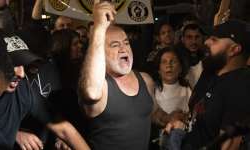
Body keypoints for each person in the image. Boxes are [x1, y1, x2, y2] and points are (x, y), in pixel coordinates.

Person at [0, 30, 90, 150]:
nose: (21, 74)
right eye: (12, 66)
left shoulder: (22, 88)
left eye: (24, 65)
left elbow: (63, 128)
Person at [78, 1, 182, 149]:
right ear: (101, 54)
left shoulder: (145, 80)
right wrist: (99, 28)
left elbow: (153, 112)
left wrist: (169, 118)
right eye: (115, 45)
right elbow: (91, 92)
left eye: (126, 43)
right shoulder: (101, 87)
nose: (123, 49)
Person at [166, 20, 250, 149]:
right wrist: (181, 121)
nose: (206, 42)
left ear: (234, 49)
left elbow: (229, 145)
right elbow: (200, 114)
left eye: (215, 40)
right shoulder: (211, 71)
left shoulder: (241, 86)